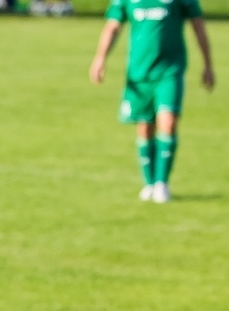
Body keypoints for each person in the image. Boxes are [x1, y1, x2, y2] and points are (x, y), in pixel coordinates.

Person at [90, 0, 214, 203]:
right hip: (139, 72)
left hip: (170, 71)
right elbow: (113, 26)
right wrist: (100, 58)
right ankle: (149, 183)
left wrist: (208, 64)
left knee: (169, 122)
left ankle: (162, 183)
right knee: (145, 127)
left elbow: (198, 25)